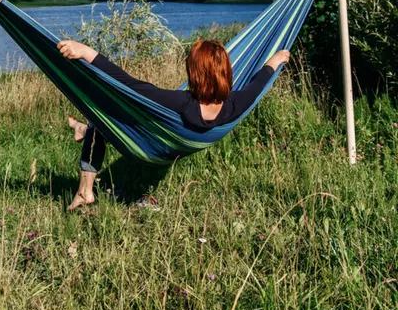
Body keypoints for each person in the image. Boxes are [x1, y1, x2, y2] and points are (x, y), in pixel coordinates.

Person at [57, 38, 290, 210]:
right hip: (171, 147)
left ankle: (85, 190)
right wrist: (276, 59)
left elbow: (129, 84)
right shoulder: (236, 104)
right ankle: (82, 129)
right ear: (227, 72)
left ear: (194, 73)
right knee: (97, 125)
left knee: (102, 116)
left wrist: (87, 52)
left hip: (152, 146)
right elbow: (259, 82)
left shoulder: (180, 102)